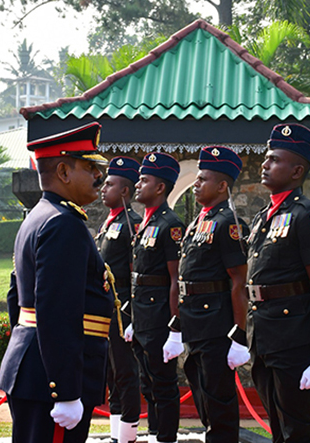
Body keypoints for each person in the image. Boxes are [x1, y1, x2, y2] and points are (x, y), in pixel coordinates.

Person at [0, 122, 112, 443]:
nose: (98, 176)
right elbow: (57, 311)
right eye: (89, 167)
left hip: (35, 371)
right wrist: (64, 389)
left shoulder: (38, 217)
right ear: (63, 171)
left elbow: (16, 300)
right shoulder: (64, 224)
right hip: (52, 383)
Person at [246, 123, 310, 443]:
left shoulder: (307, 215)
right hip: (262, 335)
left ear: (297, 171)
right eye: (266, 158)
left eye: (274, 160)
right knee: (276, 423)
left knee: (296, 427)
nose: (265, 164)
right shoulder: (262, 217)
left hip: (293, 338)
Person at [176, 146, 250, 442]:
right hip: (195, 323)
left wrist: (239, 335)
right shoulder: (199, 221)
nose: (195, 184)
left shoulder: (228, 222)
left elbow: (239, 280)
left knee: (218, 400)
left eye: (202, 179)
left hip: (216, 324)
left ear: (221, 186)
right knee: (203, 396)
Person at [123, 152, 184, 443]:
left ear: (160, 187)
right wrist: (134, 320)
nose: (137, 185)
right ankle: (154, 433)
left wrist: (175, 327)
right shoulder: (146, 223)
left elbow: (175, 279)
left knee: (163, 384)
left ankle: (166, 437)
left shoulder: (170, 224)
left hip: (159, 318)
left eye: (144, 180)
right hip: (143, 317)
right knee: (147, 383)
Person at [95, 156, 144, 443]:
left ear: (125, 191)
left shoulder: (132, 224)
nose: (103, 188)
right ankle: (116, 433)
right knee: (111, 374)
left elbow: (136, 272)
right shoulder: (109, 222)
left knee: (125, 372)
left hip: (122, 308)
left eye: (110, 184)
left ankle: (128, 434)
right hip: (105, 307)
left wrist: (133, 315)